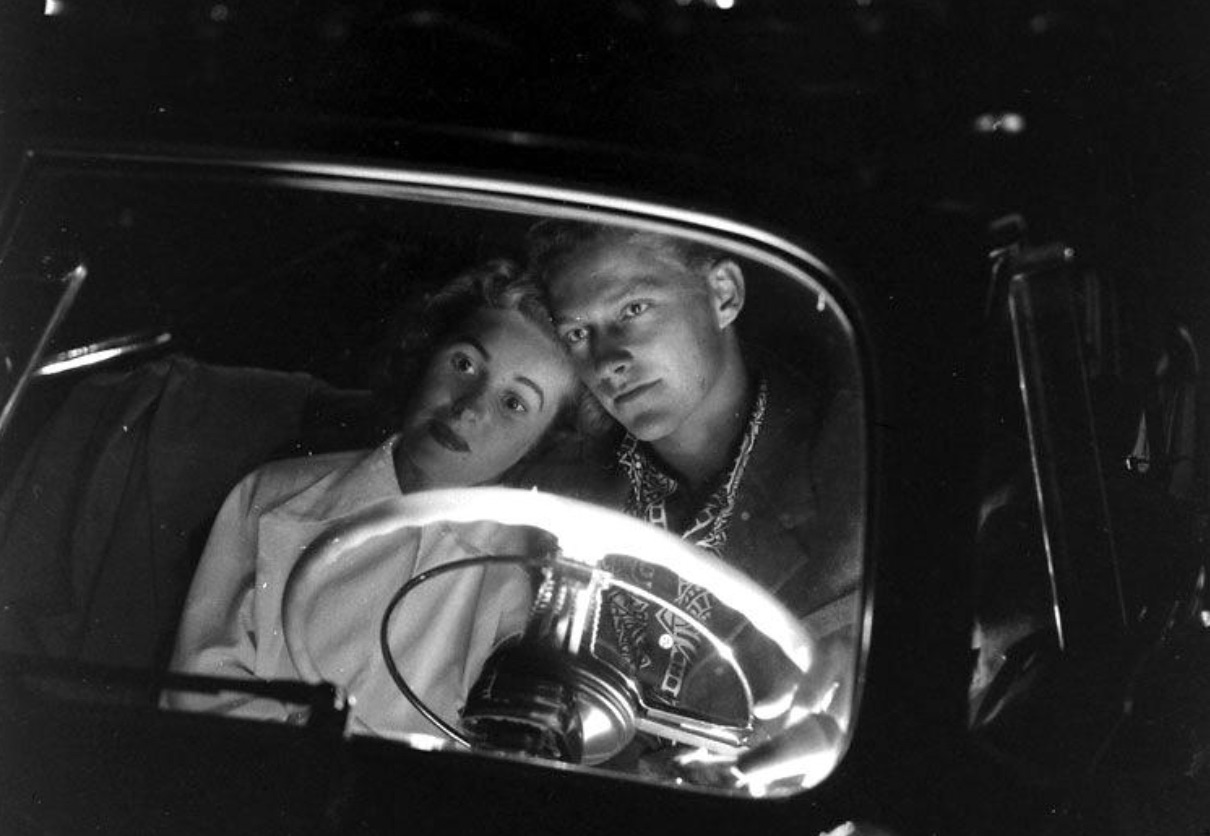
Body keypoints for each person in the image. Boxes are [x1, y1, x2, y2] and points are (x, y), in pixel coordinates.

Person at [165, 259, 580, 741]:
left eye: (514, 404)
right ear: (426, 355)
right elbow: (198, 693)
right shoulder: (272, 498)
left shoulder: (528, 582)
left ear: (544, 441)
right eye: (464, 364)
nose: (468, 408)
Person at [526, 220, 863, 722]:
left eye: (633, 310)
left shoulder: (857, 461)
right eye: (578, 333)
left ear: (723, 294)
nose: (607, 361)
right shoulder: (560, 493)